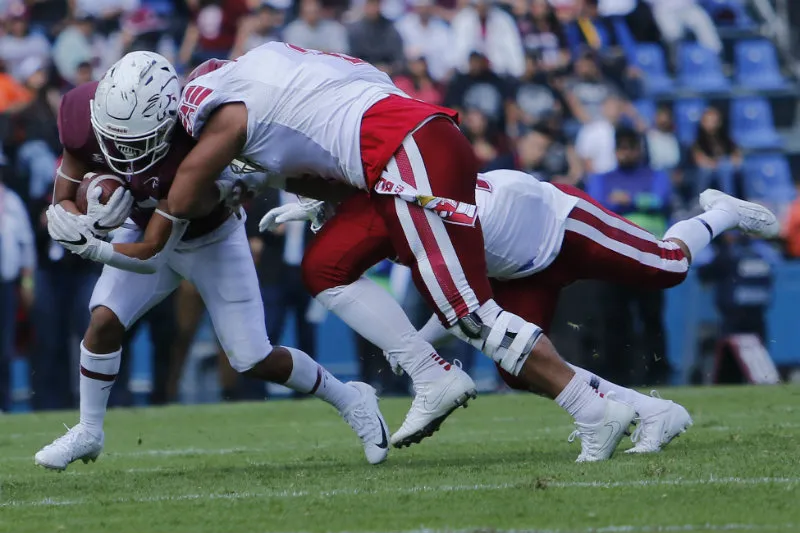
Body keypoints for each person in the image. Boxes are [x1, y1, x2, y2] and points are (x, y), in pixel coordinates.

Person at [160, 42, 643, 462]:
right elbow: (326, 140)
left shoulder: (228, 103)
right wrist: (283, 186)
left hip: (403, 155)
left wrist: (231, 183)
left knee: (467, 313)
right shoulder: (281, 65)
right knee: (326, 266)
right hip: (407, 148)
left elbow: (182, 198)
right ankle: (644, 410)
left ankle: (590, 409)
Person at [33, 52, 389, 471]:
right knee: (104, 320)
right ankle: (88, 431)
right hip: (141, 226)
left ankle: (352, 398)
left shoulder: (195, 140)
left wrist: (92, 246)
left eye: (137, 141)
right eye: (114, 140)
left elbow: (151, 255)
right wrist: (77, 220)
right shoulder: (81, 112)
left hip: (208, 237)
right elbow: (61, 200)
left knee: (251, 357)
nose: (123, 153)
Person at [262, 168, 778, 454]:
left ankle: (719, 213)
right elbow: (459, 309)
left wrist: (417, 347)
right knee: (520, 369)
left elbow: (454, 303)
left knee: (669, 266)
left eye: (331, 216)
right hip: (520, 269)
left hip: (559, 224)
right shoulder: (404, 234)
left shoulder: (415, 215)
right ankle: (654, 413)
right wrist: (417, 343)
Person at [586, 126, 673, 385]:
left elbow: (661, 199)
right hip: (614, 259)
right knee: (615, 319)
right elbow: (598, 204)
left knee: (652, 319)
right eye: (622, 147)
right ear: (615, 150)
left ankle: (658, 375)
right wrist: (637, 201)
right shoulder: (602, 178)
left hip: (649, 257)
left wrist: (627, 200)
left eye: (631, 147)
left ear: (639, 149)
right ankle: (617, 376)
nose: (627, 152)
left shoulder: (656, 175)